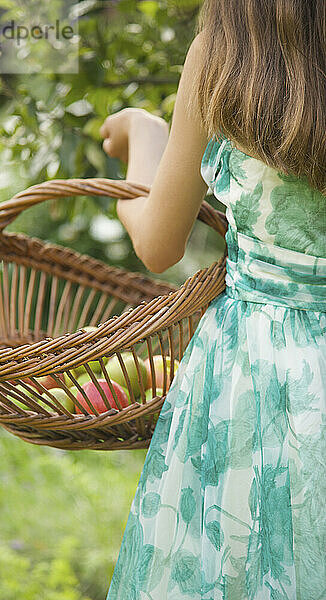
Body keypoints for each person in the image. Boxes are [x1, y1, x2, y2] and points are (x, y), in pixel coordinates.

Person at [99, 0, 326, 597]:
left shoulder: (227, 55)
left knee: (244, 566)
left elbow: (157, 242)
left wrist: (149, 141)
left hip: (257, 373)